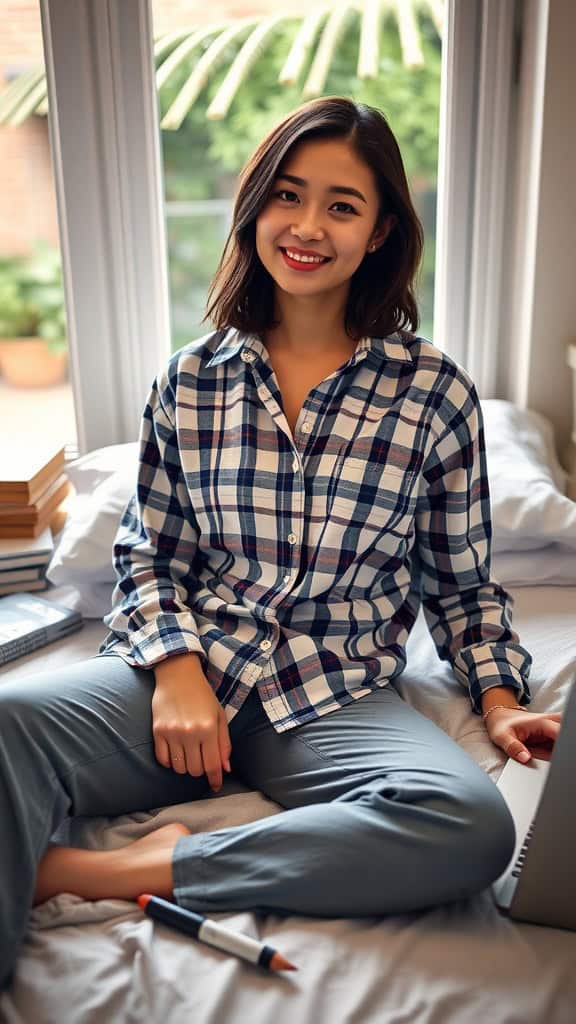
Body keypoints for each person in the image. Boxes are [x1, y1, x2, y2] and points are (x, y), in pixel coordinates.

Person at [0, 96, 562, 991]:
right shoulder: (189, 381)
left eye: (343, 206)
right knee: (7, 725)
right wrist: (177, 673)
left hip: (334, 693)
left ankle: (126, 869)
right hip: (181, 689)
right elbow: (147, 555)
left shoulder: (433, 394)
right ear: (255, 206)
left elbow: (458, 584)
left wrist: (497, 699)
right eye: (288, 196)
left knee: (469, 823)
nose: (307, 227)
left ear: (379, 233)